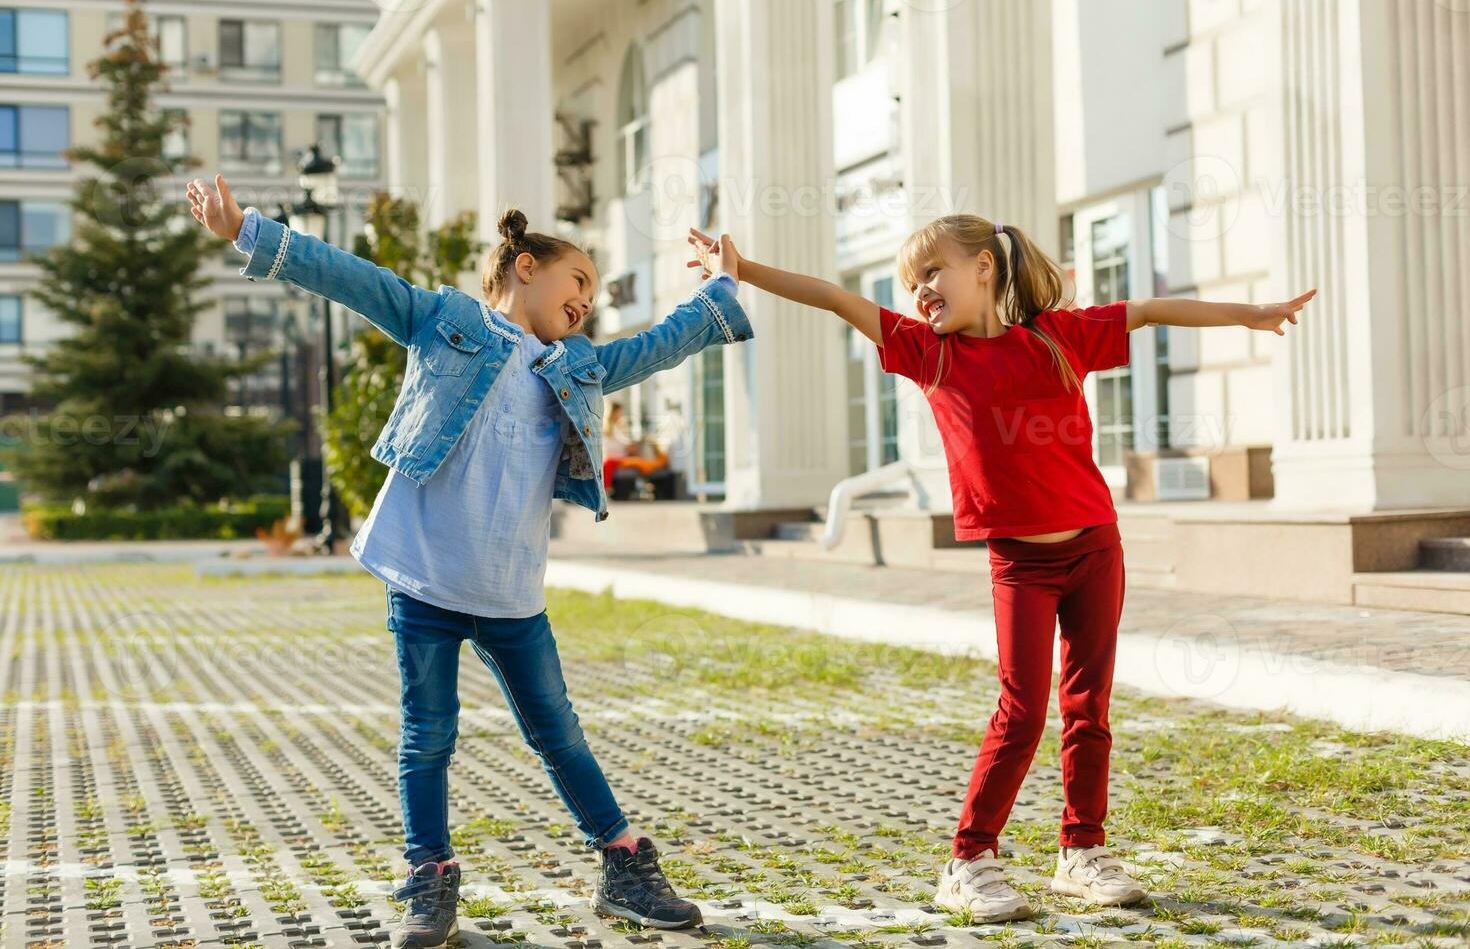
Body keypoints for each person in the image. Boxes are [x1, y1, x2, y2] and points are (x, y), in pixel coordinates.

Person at [687, 218, 1315, 922]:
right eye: (911, 282)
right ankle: (969, 860)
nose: (921, 291)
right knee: (1021, 711)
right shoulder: (928, 355)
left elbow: (1149, 310)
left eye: (932, 272)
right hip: (1022, 563)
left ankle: (1081, 852)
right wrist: (744, 268)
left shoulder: (1056, 337)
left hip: (1096, 548)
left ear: (984, 266)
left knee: (1090, 709)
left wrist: (1249, 316)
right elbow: (835, 297)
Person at [189, 173, 752, 948]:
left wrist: (724, 284)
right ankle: (431, 880)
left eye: (592, 288)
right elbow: (355, 280)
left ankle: (623, 866)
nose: (588, 297)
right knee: (429, 735)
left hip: (512, 594)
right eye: (578, 278)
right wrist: (247, 230)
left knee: (559, 734)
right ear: (527, 267)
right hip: (425, 579)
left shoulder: (579, 366)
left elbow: (657, 346)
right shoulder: (446, 321)